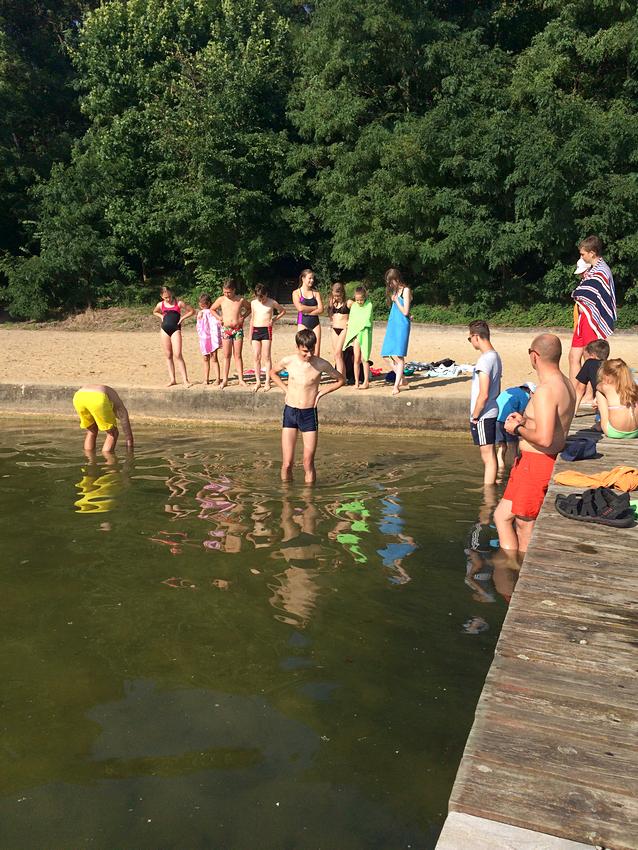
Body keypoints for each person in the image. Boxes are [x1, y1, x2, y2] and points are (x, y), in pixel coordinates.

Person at [494, 334, 576, 554]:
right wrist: (526, 420)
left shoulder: (546, 390)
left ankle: (520, 569)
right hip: (530, 463)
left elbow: (546, 438)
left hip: (537, 463)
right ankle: (509, 563)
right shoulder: (565, 383)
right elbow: (551, 425)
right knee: (501, 516)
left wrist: (517, 429)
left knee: (525, 524)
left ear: (534, 355)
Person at [269, 328, 344, 483]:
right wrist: (285, 389)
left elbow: (341, 380)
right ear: (297, 347)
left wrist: (321, 393)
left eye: (311, 350)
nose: (309, 355)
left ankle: (309, 502)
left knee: (307, 462)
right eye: (304, 351)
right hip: (290, 412)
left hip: (309, 414)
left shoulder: (321, 364)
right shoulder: (288, 361)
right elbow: (272, 373)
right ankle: (287, 499)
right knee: (287, 463)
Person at [569, 235, 616, 386]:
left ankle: (590, 393)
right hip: (584, 318)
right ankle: (573, 392)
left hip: (592, 319)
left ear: (592, 253)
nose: (581, 257)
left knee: (591, 357)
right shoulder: (593, 270)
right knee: (573, 356)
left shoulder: (602, 270)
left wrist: (579, 293)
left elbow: (597, 296)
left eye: (583, 254)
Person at [467, 320, 502, 485]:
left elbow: (484, 393)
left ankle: (488, 493)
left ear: (476, 336)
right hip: (491, 411)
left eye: (469, 338)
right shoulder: (495, 356)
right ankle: (492, 484)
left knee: (487, 456)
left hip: (483, 413)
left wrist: (475, 415)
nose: (471, 342)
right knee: (491, 453)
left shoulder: (484, 360)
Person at [211, 279, 251, 389]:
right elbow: (212, 309)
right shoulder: (221, 299)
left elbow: (249, 308)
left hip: (238, 329)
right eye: (224, 292)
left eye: (228, 292)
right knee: (226, 355)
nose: (226, 294)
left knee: (238, 355)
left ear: (234, 290)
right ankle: (225, 380)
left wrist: (243, 316)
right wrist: (219, 318)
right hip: (226, 329)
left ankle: (241, 379)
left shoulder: (240, 299)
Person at [72, 384, 134, 455]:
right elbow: (128, 436)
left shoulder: (111, 397)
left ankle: (89, 458)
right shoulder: (121, 409)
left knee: (91, 430)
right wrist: (130, 448)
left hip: (79, 396)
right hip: (98, 397)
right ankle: (108, 460)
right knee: (113, 433)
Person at [152, 286, 194, 387]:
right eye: (166, 297)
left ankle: (185, 380)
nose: (169, 299)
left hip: (176, 329)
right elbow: (154, 311)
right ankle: (172, 379)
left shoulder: (178, 303)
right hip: (164, 330)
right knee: (168, 355)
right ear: (162, 296)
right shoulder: (160, 304)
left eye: (170, 296)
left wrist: (182, 318)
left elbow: (192, 311)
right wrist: (161, 316)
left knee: (178, 354)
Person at [249, 283, 286, 392]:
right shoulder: (253, 303)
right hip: (256, 329)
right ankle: (258, 381)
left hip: (266, 330)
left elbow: (283, 311)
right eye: (259, 298)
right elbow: (252, 317)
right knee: (256, 356)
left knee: (267, 356)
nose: (261, 300)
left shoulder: (272, 302)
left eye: (263, 297)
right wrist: (250, 334)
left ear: (266, 294)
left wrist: (274, 319)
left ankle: (267, 381)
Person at [380, 267, 411, 395]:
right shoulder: (395, 293)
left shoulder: (405, 291)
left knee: (399, 356)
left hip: (402, 326)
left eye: (391, 282)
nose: (390, 284)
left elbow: (405, 311)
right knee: (385, 354)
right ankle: (402, 377)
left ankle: (396, 385)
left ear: (397, 279)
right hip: (393, 325)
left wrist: (396, 300)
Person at [495, 382, 535, 473]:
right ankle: (514, 470)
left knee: (502, 447)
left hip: (497, 419)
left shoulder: (510, 390)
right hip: (509, 421)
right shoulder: (525, 395)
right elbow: (520, 415)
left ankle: (500, 471)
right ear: (530, 391)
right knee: (513, 446)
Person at [595, 358, 638, 439]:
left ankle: (600, 424)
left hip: (615, 432)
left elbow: (598, 386)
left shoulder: (606, 387)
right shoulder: (634, 387)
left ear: (607, 375)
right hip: (635, 432)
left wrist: (595, 399)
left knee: (599, 393)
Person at [343, 285, 373, 389]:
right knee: (356, 359)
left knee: (365, 358)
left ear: (365, 297)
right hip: (356, 335)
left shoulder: (369, 304)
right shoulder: (354, 306)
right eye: (357, 300)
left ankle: (366, 381)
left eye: (361, 299)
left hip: (365, 334)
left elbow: (367, 319)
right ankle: (356, 381)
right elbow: (352, 320)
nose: (360, 302)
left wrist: (357, 326)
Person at [293, 269, 324, 357]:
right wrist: (315, 307)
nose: (312, 280)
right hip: (303, 322)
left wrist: (309, 312)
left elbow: (321, 309)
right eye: (310, 278)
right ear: (303, 278)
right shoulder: (296, 293)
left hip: (315, 323)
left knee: (316, 352)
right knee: (302, 350)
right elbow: (300, 308)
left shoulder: (316, 293)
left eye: (313, 278)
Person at [574, 338, 610, 412]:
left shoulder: (589, 363)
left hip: (601, 402)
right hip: (614, 402)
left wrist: (573, 411)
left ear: (593, 355)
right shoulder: (611, 365)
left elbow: (580, 388)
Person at [327, 282, 352, 377]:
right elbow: (330, 314)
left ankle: (341, 377)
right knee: (337, 355)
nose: (336, 297)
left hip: (344, 329)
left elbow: (357, 312)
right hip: (334, 329)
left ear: (342, 293)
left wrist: (350, 322)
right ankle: (342, 377)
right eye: (334, 295)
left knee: (338, 352)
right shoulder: (332, 302)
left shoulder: (348, 303)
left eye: (338, 296)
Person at [196, 293, 222, 386]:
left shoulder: (213, 311)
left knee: (214, 358)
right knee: (205, 358)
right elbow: (199, 326)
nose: (202, 307)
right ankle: (206, 379)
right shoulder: (201, 313)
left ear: (209, 303)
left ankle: (218, 378)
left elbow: (218, 324)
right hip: (204, 338)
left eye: (204, 305)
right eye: (201, 305)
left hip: (212, 338)